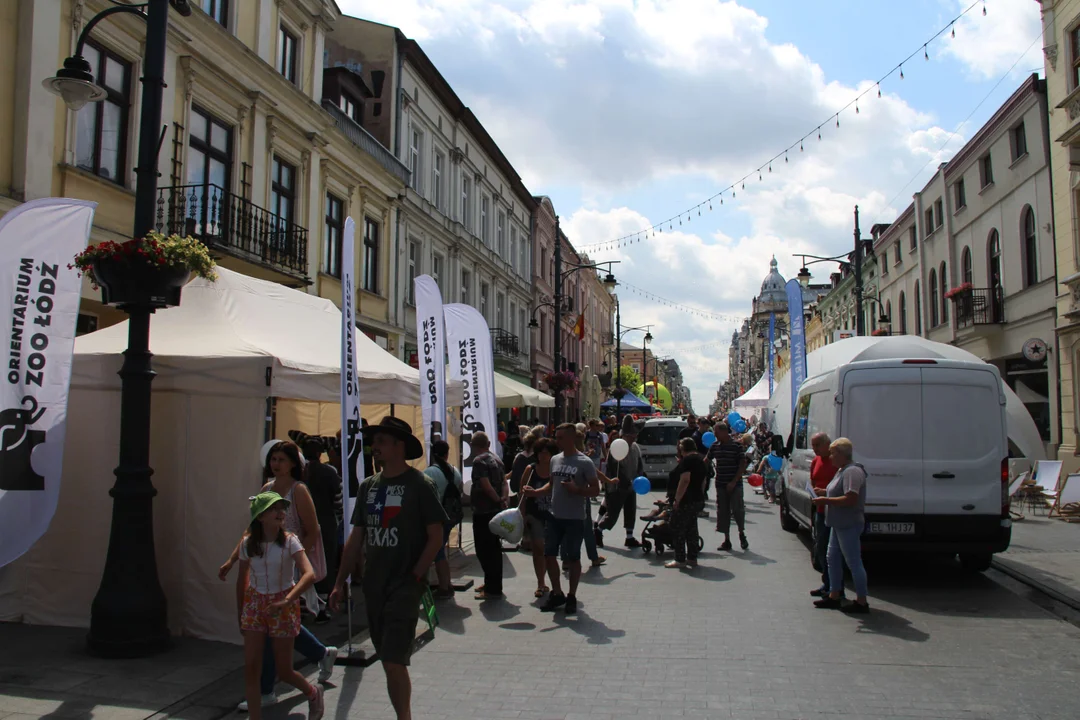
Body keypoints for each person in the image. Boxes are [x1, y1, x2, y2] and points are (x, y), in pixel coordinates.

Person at [329, 417, 447, 720]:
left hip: (405, 587)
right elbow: (357, 538)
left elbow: (436, 536)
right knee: (387, 659)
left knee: (394, 660)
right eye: (374, 442)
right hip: (375, 586)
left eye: (381, 441)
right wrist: (339, 581)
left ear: (399, 446)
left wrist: (417, 576)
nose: (375, 447)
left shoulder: (420, 485)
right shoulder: (369, 486)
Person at [220, 443, 337, 711]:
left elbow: (313, 530)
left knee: (283, 627)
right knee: (277, 631)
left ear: (293, 463)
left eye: (281, 459)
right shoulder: (266, 489)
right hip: (266, 570)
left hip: (290, 560)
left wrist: (295, 558)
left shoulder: (299, 490)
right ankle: (318, 654)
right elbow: (251, 530)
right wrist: (232, 559)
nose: (276, 464)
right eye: (273, 459)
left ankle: (270, 687)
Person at [235, 491, 324, 720]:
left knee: (284, 671)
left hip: (284, 603)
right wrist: (241, 614)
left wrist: (288, 599)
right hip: (255, 604)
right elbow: (242, 580)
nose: (280, 512)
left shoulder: (290, 541)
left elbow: (309, 574)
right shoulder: (247, 544)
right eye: (274, 508)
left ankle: (313, 692)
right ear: (260, 517)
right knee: (252, 668)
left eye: (281, 508)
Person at [522, 423, 600, 614]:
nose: (557, 441)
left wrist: (577, 490)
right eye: (556, 437)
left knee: (573, 558)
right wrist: (535, 493)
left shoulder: (584, 462)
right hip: (554, 515)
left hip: (574, 518)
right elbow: (551, 485)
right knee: (549, 555)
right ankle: (557, 592)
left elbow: (596, 489)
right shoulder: (555, 460)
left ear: (572, 438)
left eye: (561, 438)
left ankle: (572, 595)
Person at [812, 438, 870, 613]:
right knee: (832, 559)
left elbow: (851, 498)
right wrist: (824, 492)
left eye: (833, 453)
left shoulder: (852, 472)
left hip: (848, 523)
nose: (830, 457)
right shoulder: (842, 470)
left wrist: (826, 500)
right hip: (837, 523)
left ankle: (861, 601)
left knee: (853, 562)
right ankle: (834, 595)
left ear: (842, 454)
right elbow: (838, 491)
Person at [302, 439, 342, 615]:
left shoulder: (299, 472)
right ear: (320, 454)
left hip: (302, 524)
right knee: (325, 561)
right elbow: (338, 501)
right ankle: (323, 604)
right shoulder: (330, 472)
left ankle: (304, 601)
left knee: (303, 562)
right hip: (326, 522)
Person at [468, 431, 508, 600]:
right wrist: (504, 499)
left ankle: (492, 588)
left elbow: (485, 485)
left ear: (473, 446)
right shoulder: (497, 460)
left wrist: (497, 498)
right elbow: (505, 482)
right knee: (494, 549)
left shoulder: (478, 461)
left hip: (483, 510)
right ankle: (492, 583)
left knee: (484, 550)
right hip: (496, 511)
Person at [423, 440, 464, 599]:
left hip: (435, 518)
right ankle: (446, 584)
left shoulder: (429, 472)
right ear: (447, 453)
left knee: (437, 552)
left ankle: (444, 586)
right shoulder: (455, 471)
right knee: (439, 550)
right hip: (451, 516)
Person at [597, 415, 643, 549]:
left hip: (631, 484)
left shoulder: (635, 447)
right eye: (631, 436)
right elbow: (613, 467)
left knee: (630, 510)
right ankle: (598, 531)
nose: (634, 438)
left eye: (635, 435)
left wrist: (640, 475)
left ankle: (629, 537)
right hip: (616, 485)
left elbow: (639, 463)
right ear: (625, 435)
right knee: (613, 513)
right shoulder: (617, 446)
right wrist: (624, 481)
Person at [520, 437, 557, 597]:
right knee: (538, 548)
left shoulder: (556, 469)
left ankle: (554, 583)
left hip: (553, 515)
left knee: (550, 551)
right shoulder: (531, 469)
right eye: (540, 452)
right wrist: (522, 515)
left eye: (546, 453)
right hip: (534, 514)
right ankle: (541, 583)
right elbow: (522, 495)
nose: (543, 456)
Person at [665, 438, 708, 569]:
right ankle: (692, 558)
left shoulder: (687, 461)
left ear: (682, 449)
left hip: (686, 499)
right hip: (697, 498)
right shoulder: (701, 459)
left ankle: (680, 559)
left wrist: (677, 500)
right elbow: (703, 481)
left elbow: (685, 480)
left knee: (678, 528)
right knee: (692, 528)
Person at [808, 432, 841, 599]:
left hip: (833, 511)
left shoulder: (836, 462)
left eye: (817, 445)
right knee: (821, 548)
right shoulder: (816, 460)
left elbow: (838, 486)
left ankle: (836, 588)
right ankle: (827, 583)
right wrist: (814, 492)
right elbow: (813, 479)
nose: (814, 449)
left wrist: (825, 492)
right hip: (820, 510)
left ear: (827, 445)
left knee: (832, 551)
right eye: (813, 445)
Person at [709, 423, 749, 551]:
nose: (714, 434)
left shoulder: (736, 446)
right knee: (723, 511)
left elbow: (742, 465)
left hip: (735, 484)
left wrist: (733, 481)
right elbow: (706, 460)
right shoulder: (715, 446)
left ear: (724, 432)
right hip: (721, 484)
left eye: (716, 432)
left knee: (737, 510)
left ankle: (741, 534)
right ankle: (727, 540)